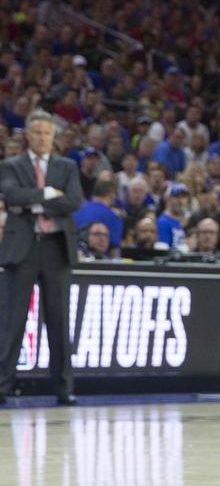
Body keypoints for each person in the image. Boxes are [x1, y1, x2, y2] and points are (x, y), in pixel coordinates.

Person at [0, 110, 85, 406]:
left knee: (59, 322)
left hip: (55, 248)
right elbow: (11, 195)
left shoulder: (68, 166)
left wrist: (33, 203)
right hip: (22, 249)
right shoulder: (11, 165)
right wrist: (48, 194)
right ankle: (2, 387)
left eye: (47, 134)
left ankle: (64, 389)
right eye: (37, 133)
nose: (43, 138)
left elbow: (73, 201)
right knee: (12, 321)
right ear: (27, 135)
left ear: (53, 136)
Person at [73, 177, 123, 251]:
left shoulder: (75, 211)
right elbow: (114, 249)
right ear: (112, 195)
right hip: (99, 260)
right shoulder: (113, 216)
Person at [155, 183, 190, 252]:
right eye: (176, 196)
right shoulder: (163, 222)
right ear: (167, 199)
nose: (180, 201)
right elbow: (162, 251)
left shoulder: (181, 222)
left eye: (183, 197)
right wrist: (187, 247)